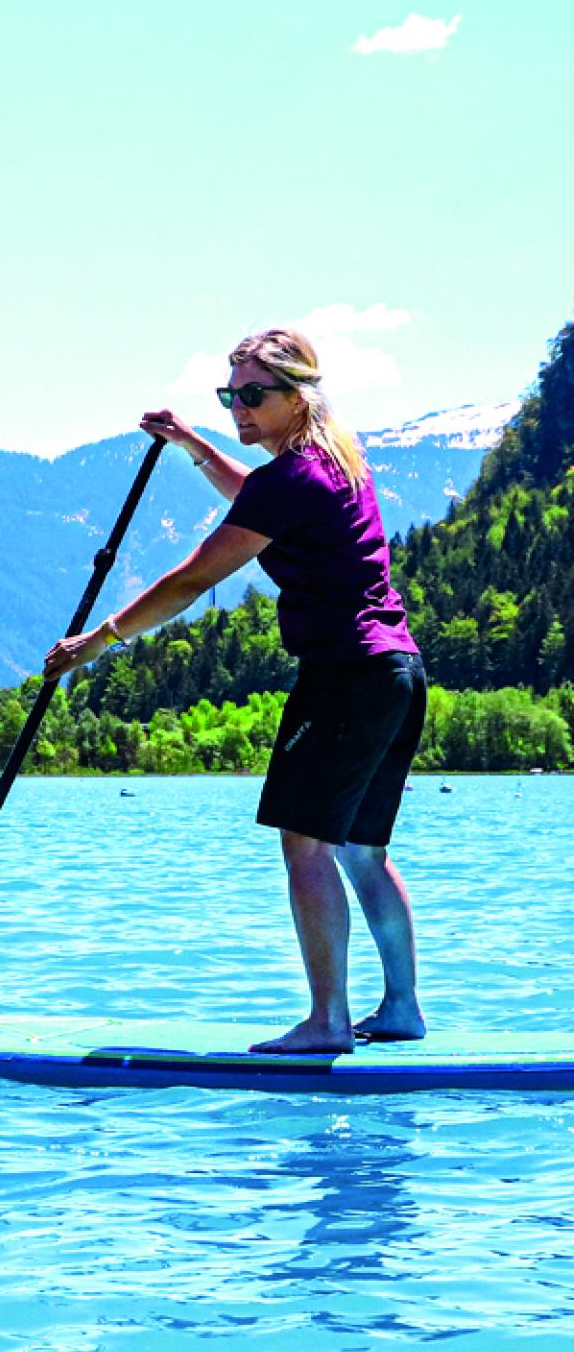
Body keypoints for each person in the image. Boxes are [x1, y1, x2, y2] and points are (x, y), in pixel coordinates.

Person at [43, 326, 425, 1056]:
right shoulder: (337, 459)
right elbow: (256, 496)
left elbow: (192, 580)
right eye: (230, 396)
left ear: (296, 394)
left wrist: (98, 641)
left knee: (306, 845)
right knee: (361, 851)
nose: (238, 409)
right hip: (397, 670)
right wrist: (191, 444)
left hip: (344, 676)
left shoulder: (293, 477)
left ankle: (328, 1021)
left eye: (253, 395)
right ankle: (401, 1008)